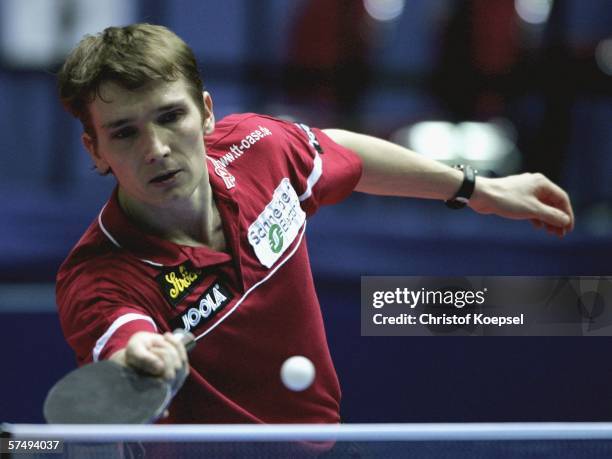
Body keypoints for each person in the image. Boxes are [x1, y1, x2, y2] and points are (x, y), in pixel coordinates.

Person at [55, 23, 574, 425]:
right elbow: (124, 339)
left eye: (171, 117)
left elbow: (342, 151)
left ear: (206, 113)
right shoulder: (99, 275)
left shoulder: (258, 150)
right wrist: (142, 356)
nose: (157, 149)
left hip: (321, 444)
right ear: (95, 150)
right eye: (124, 133)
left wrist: (477, 189)